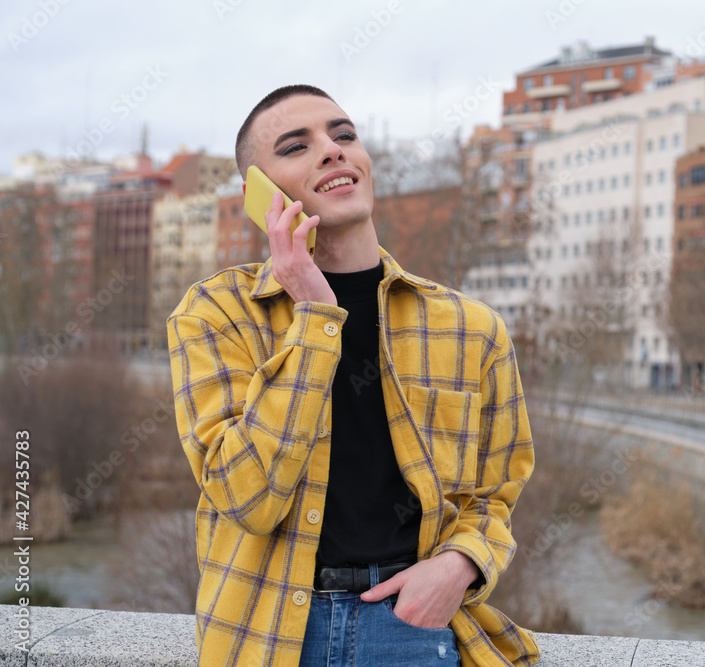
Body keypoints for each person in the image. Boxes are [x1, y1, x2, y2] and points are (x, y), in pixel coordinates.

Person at [167, 84, 538, 667]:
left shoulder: (471, 328)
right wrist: (316, 319)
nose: (332, 149)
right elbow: (246, 497)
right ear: (257, 194)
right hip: (264, 635)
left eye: (344, 135)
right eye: (296, 146)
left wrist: (458, 565)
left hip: (410, 626)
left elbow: (497, 492)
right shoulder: (216, 313)